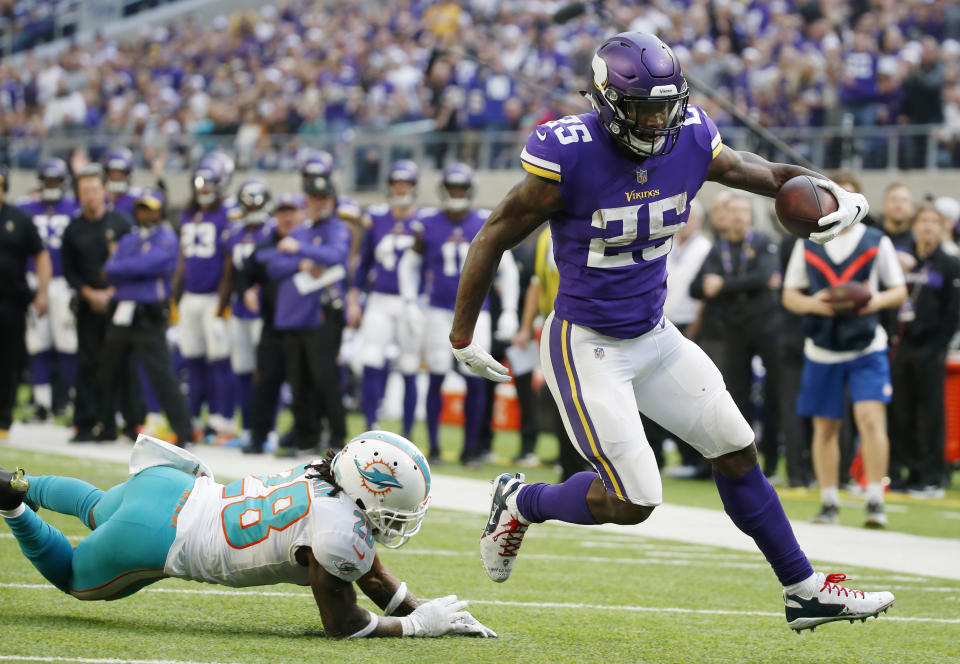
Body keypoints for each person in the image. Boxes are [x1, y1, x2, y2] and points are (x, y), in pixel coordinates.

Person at [448, 32, 893, 631]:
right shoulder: (568, 154)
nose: (657, 121)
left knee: (736, 449)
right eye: (643, 109)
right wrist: (462, 333)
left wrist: (829, 190)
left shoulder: (690, 136)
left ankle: (804, 590)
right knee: (634, 502)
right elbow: (494, 235)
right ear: (607, 103)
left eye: (666, 106)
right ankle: (521, 501)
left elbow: (759, 172)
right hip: (587, 343)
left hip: (655, 337)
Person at [0, 431, 495, 639]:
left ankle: (19, 482)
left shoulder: (325, 476)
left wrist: (416, 606)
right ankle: (14, 505)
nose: (397, 519)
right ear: (369, 491)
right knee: (73, 578)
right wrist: (414, 627)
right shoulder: (341, 532)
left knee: (92, 506)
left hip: (172, 488)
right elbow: (342, 624)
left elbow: (372, 575)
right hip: (160, 538)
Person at [782, 194, 907, 527]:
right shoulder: (808, 241)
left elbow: (899, 290)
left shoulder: (875, 240)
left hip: (867, 344)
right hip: (822, 346)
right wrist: (813, 304)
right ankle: (829, 501)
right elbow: (790, 294)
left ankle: (876, 500)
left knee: (870, 418)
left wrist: (875, 300)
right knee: (825, 426)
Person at [398, 163, 519, 465]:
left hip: (479, 312)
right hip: (439, 310)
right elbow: (408, 266)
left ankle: (471, 448)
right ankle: (435, 447)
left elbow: (508, 270)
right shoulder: (427, 224)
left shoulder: (484, 220)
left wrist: (509, 311)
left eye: (461, 189)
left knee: (474, 378)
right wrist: (410, 301)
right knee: (437, 374)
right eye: (452, 188)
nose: (456, 194)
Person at [690, 193, 782, 478]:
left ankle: (772, 462)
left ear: (751, 216)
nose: (740, 216)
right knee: (734, 398)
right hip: (733, 333)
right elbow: (696, 288)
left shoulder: (764, 242)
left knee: (773, 395)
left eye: (744, 211)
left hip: (767, 329)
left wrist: (723, 285)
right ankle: (739, 464)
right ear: (725, 217)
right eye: (734, 212)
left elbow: (765, 277)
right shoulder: (718, 248)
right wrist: (720, 286)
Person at [263, 171, 350, 455]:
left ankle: (338, 438)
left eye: (324, 197)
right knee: (298, 382)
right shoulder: (302, 230)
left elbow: (337, 256)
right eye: (314, 198)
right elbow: (274, 264)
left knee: (325, 378)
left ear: (332, 200)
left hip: (320, 315)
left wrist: (300, 251)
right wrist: (301, 262)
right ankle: (306, 438)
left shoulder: (335, 228)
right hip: (292, 316)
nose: (319, 203)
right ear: (308, 201)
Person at [96, 190, 193, 446]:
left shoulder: (167, 237)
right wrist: (134, 269)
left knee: (161, 373)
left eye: (151, 208)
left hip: (149, 313)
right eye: (141, 208)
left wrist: (129, 269)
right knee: (109, 369)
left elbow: (154, 265)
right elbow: (110, 270)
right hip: (123, 309)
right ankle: (107, 424)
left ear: (160, 210)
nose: (146, 213)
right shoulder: (129, 238)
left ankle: (184, 431)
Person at [347, 160, 425, 436]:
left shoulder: (424, 220)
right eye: (397, 184)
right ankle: (371, 425)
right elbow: (365, 262)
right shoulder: (377, 217)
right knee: (370, 358)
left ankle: (407, 433)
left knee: (409, 365)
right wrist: (354, 297)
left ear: (414, 187)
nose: (401, 188)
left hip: (411, 301)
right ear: (390, 187)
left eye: (406, 184)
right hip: (379, 298)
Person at [60, 165, 135, 443]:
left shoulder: (122, 223)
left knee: (124, 363)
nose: (90, 196)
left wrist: (114, 291)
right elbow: (69, 271)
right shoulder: (73, 229)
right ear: (79, 196)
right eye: (85, 191)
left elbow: (132, 262)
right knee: (88, 363)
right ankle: (87, 422)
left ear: (104, 191)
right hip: (88, 305)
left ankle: (130, 421)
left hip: (120, 304)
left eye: (94, 190)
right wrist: (89, 293)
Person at [889, 204, 960, 497]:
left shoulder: (950, 263)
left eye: (934, 222)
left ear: (942, 228)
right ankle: (911, 472)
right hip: (903, 346)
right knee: (902, 412)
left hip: (932, 348)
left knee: (930, 414)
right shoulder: (904, 261)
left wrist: (940, 345)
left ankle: (933, 475)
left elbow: (954, 311)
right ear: (915, 226)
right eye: (924, 221)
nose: (928, 227)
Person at [513, 225, 591, 481]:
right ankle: (570, 464)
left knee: (583, 397)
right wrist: (525, 327)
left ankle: (584, 462)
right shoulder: (547, 236)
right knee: (564, 397)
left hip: (584, 323)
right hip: (558, 323)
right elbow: (537, 283)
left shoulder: (583, 227)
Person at [235, 193, 305, 454]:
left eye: (292, 211)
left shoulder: (309, 242)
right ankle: (258, 435)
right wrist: (246, 292)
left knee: (302, 386)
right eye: (282, 212)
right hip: (272, 323)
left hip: (303, 327)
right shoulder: (265, 246)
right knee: (266, 383)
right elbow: (243, 274)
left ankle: (300, 436)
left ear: (302, 215)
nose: (287, 217)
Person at [173, 159, 235, 442]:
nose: (205, 188)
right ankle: (194, 419)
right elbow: (182, 260)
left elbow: (228, 263)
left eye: (210, 182)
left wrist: (222, 306)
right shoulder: (188, 215)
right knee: (193, 359)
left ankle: (223, 421)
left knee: (219, 360)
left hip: (213, 297)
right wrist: (175, 297)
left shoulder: (227, 214)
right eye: (200, 182)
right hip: (190, 297)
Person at [18, 158, 79, 422]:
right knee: (37, 344)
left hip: (64, 282)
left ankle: (75, 402)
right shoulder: (26, 208)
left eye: (56, 180)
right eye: (48, 180)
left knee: (68, 344)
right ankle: (42, 404)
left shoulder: (74, 208)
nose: (52, 185)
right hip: (35, 281)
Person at [221, 179, 275, 447]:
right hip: (240, 308)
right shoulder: (234, 231)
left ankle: (269, 430)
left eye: (257, 201)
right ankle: (248, 428)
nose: (253, 207)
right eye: (249, 201)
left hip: (265, 311)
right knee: (241, 370)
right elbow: (230, 272)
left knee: (266, 372)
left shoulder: (274, 230)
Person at [0, 165, 50, 438]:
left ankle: (3, 420)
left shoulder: (19, 218)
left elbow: (41, 255)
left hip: (11, 301)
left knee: (8, 361)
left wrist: (42, 292)